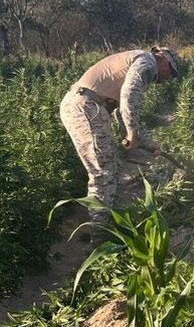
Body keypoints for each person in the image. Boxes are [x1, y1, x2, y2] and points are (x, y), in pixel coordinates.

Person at [60, 47, 180, 232]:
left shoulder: (138, 60)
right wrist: (133, 133)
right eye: (171, 72)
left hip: (89, 107)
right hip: (86, 107)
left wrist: (144, 141)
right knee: (103, 171)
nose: (168, 78)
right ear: (164, 61)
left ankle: (106, 222)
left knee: (110, 165)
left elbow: (120, 111)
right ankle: (99, 233)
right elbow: (128, 97)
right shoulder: (147, 62)